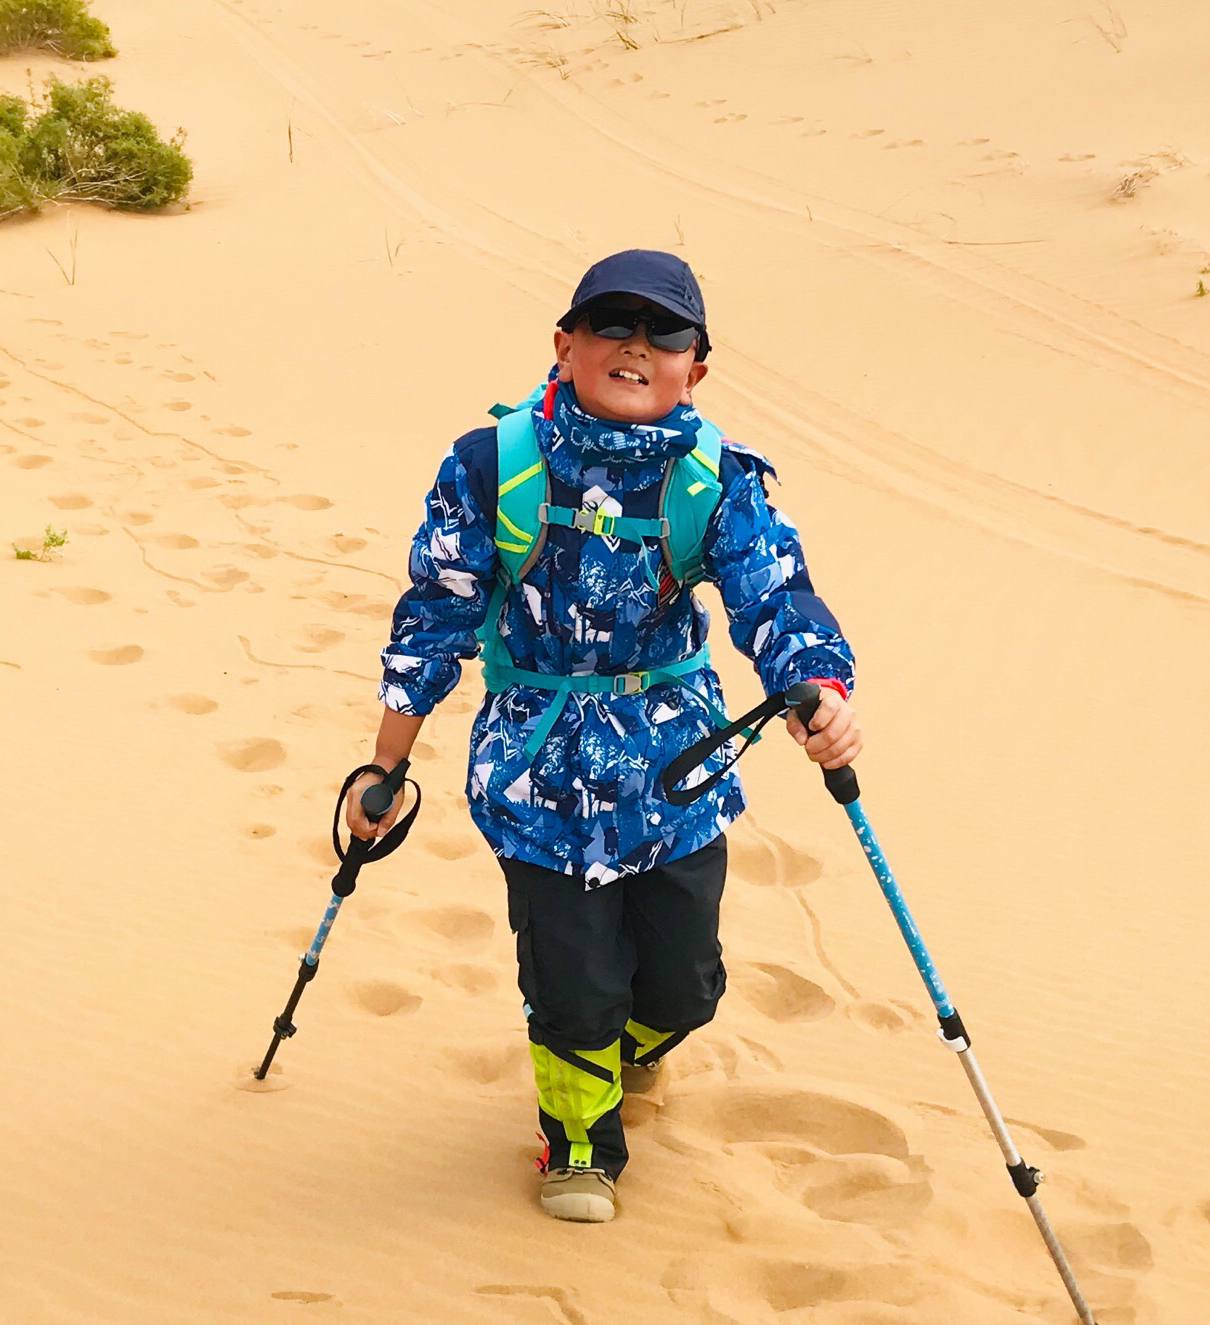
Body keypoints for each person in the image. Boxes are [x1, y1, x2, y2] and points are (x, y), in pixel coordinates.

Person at [347, 250, 862, 1225]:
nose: (636, 343)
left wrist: (820, 692)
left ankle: (628, 1050)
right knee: (572, 986)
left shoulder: (714, 478)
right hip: (535, 771)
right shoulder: (491, 466)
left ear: (694, 368)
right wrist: (384, 764)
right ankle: (578, 1140)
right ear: (566, 343)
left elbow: (775, 596)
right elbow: (435, 616)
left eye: (664, 331)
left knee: (684, 986)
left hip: (677, 772)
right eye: (611, 324)